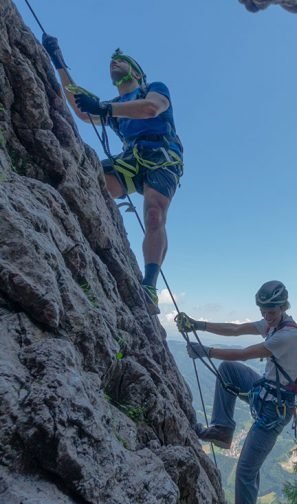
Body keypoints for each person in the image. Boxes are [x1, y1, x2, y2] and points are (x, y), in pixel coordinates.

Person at [41, 35, 183, 314]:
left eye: (121, 61)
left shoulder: (153, 89)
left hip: (162, 157)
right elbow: (82, 110)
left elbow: (151, 109)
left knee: (154, 214)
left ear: (137, 72)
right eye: (112, 63)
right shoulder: (112, 108)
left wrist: (104, 108)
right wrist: (58, 61)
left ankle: (150, 285)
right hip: (131, 159)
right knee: (87, 180)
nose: (114, 63)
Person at [176, 280, 297, 504]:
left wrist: (205, 351)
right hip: (265, 392)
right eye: (264, 310)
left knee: (245, 472)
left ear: (283, 307)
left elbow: (244, 354)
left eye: (272, 311)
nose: (266, 315)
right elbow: (235, 330)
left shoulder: (288, 335)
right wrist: (197, 325)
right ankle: (222, 429)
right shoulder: (271, 324)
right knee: (227, 371)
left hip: (274, 412)